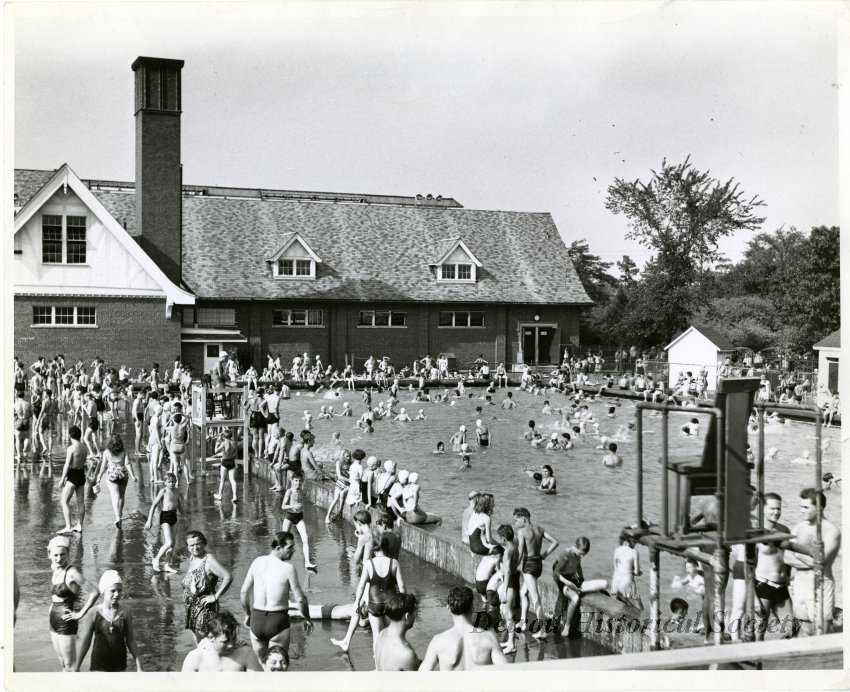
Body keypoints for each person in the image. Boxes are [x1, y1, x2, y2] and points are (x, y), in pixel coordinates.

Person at [240, 531, 313, 662]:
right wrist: (307, 618)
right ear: (278, 548)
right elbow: (301, 599)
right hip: (277, 621)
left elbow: (244, 592)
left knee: (260, 666)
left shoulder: (257, 562)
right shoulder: (288, 568)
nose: (294, 550)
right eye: (290, 547)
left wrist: (247, 614)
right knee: (278, 667)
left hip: (256, 620)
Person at [332, 535, 405, 653]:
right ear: (387, 548)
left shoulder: (368, 564)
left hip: (375, 602)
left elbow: (361, 587)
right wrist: (404, 605)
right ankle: (391, 662)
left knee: (377, 636)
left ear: (374, 550)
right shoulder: (394, 563)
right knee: (391, 634)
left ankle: (377, 666)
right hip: (391, 602)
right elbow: (402, 586)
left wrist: (357, 603)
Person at [784, 488, 841, 635]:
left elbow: (820, 563)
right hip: (800, 585)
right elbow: (786, 557)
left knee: (822, 633)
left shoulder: (831, 531)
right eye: (800, 507)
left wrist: (797, 553)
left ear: (819, 508)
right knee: (806, 632)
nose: (801, 511)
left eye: (805, 507)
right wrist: (808, 558)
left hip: (821, 584)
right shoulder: (798, 527)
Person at [418, 586, 507, 670]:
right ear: (472, 607)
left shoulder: (438, 641)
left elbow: (420, 676)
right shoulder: (488, 638)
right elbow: (507, 672)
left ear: (448, 608)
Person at [47, 535, 99, 671]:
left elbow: (95, 591)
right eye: (56, 555)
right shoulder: (55, 567)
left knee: (70, 666)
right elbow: (55, 595)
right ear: (49, 554)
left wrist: (80, 614)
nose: (59, 559)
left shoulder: (72, 573)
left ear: (68, 554)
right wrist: (51, 607)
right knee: (62, 663)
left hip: (66, 621)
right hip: (53, 618)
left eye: (63, 555)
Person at [75, 570, 142, 671]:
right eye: (113, 590)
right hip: (98, 665)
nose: (117, 594)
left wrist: (139, 665)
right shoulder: (93, 613)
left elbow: (131, 640)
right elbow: (85, 642)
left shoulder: (126, 612)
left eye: (119, 590)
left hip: (120, 665)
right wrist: (76, 668)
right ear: (103, 591)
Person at [513, 507, 559, 638]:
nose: (515, 524)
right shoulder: (539, 529)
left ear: (524, 519)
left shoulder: (522, 532)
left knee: (535, 597)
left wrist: (514, 566)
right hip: (538, 564)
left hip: (529, 566)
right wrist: (544, 555)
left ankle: (543, 630)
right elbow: (556, 542)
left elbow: (521, 553)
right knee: (523, 593)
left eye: (517, 521)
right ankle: (522, 623)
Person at [182, 530, 233, 643]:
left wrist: (215, 596)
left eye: (198, 544)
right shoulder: (193, 558)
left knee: (206, 644)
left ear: (204, 543)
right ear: (188, 546)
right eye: (191, 545)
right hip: (191, 608)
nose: (195, 548)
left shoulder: (209, 560)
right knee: (199, 643)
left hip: (205, 609)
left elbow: (228, 576)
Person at [754, 492, 793, 640]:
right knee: (759, 634)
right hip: (763, 586)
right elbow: (748, 566)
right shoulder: (756, 532)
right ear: (763, 508)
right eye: (772, 508)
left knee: (792, 629)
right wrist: (754, 599)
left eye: (779, 509)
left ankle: (782, 659)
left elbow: (786, 558)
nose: (776, 512)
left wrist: (789, 576)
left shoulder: (784, 530)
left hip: (782, 587)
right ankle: (757, 661)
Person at [552, 537, 608, 638]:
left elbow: (578, 567)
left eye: (584, 555)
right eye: (581, 553)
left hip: (575, 581)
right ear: (575, 546)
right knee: (575, 598)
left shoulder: (578, 556)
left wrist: (582, 580)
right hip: (564, 582)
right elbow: (556, 573)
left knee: (605, 584)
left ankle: (580, 590)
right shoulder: (566, 553)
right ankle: (567, 627)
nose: (582, 556)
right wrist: (567, 583)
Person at [181, 610, 262, 671]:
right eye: (225, 642)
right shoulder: (196, 657)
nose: (231, 645)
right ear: (211, 638)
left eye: (234, 639)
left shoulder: (246, 654)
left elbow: (258, 685)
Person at [94, 433, 138, 528]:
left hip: (112, 475)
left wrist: (99, 477)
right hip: (123, 474)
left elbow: (103, 466)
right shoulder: (124, 451)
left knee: (115, 496)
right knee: (121, 496)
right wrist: (133, 476)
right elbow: (128, 464)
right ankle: (120, 514)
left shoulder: (106, 452)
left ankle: (117, 517)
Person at [146, 473, 184, 572]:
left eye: (173, 482)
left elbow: (178, 503)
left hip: (174, 516)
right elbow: (154, 504)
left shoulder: (176, 490)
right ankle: (156, 559)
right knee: (169, 542)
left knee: (173, 543)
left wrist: (184, 515)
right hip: (165, 517)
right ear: (165, 482)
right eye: (169, 482)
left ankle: (167, 565)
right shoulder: (163, 491)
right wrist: (149, 519)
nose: (171, 484)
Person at [281, 473, 318, 571]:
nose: (298, 483)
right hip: (289, 516)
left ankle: (307, 562)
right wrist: (293, 506)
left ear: (302, 481)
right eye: (296, 480)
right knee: (282, 539)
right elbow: (283, 506)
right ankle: (278, 560)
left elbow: (303, 500)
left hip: (299, 516)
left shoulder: (302, 491)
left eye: (300, 480)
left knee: (305, 538)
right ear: (292, 481)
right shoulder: (289, 491)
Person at [375, 592, 419, 671]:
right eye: (415, 612)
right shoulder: (406, 654)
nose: (415, 616)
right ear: (407, 616)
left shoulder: (382, 634)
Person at [58, 425, 88, 534]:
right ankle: (79, 525)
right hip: (81, 474)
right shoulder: (85, 448)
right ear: (79, 435)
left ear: (70, 436)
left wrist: (62, 479)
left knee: (64, 501)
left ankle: (68, 526)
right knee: (80, 502)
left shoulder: (71, 448)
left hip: (72, 475)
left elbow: (67, 465)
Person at [611, 531, 642, 607]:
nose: (635, 544)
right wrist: (638, 572)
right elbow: (637, 572)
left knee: (624, 605)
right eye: (634, 542)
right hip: (627, 583)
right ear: (627, 540)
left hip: (616, 582)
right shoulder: (634, 552)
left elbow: (615, 567)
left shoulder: (617, 550)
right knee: (640, 607)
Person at [326, 448, 352, 523]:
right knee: (335, 498)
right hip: (340, 483)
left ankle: (339, 513)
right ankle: (327, 516)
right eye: (347, 456)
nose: (348, 458)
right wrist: (350, 480)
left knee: (342, 495)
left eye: (349, 456)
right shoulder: (339, 463)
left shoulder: (352, 463)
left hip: (348, 485)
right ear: (343, 456)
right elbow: (339, 476)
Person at [214, 429, 239, 503]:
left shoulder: (224, 443)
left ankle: (220, 495)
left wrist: (217, 442)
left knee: (222, 480)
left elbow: (216, 451)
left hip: (225, 462)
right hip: (232, 461)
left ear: (224, 436)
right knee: (232, 480)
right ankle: (235, 496)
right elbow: (235, 454)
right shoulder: (234, 442)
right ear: (231, 436)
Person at [13, 389, 34, 467]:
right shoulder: (27, 404)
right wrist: (27, 417)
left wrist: (16, 417)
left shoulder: (15, 404)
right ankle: (25, 450)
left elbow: (13, 414)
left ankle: (18, 455)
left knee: (18, 439)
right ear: (24, 395)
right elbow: (31, 414)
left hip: (19, 420)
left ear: (17, 396)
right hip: (25, 420)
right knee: (26, 437)